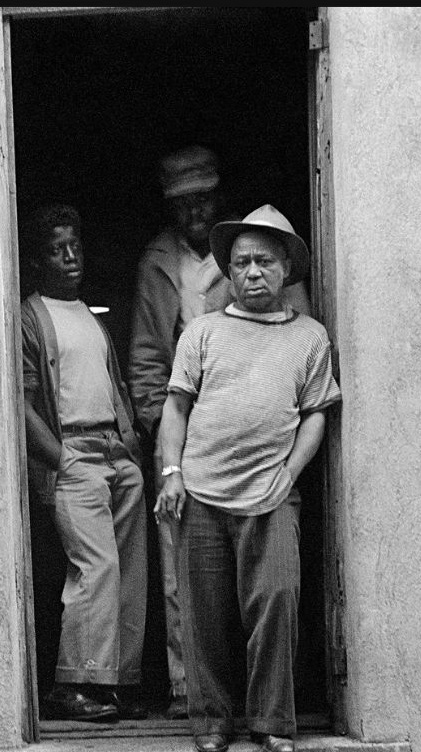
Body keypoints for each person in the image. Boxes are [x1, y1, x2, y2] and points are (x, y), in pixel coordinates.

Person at [128, 146, 313, 719]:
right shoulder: (159, 260)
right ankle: (195, 696)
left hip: (262, 459)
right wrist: (164, 431)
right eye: (182, 206)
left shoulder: (255, 262)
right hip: (190, 441)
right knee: (186, 580)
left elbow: (302, 357)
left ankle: (266, 711)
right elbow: (145, 353)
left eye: (202, 202)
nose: (193, 215)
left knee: (268, 589)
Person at [153, 205, 341, 752]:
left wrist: (289, 472)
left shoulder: (309, 337)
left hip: (272, 495)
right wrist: (172, 473)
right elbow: (176, 407)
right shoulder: (204, 333)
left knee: (278, 600)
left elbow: (318, 412)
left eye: (263, 261)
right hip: (203, 491)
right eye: (240, 263)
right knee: (203, 614)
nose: (252, 272)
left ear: (286, 269)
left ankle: (272, 720)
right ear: (228, 272)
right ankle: (210, 719)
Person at [20, 204, 149, 724]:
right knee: (95, 568)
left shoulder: (91, 316)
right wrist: (59, 458)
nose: (71, 258)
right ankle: (74, 684)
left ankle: (116, 682)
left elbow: (113, 386)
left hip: (114, 452)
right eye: (57, 249)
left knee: (128, 571)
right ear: (38, 260)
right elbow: (22, 402)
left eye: (75, 247)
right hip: (71, 454)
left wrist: (131, 446)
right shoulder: (32, 316)